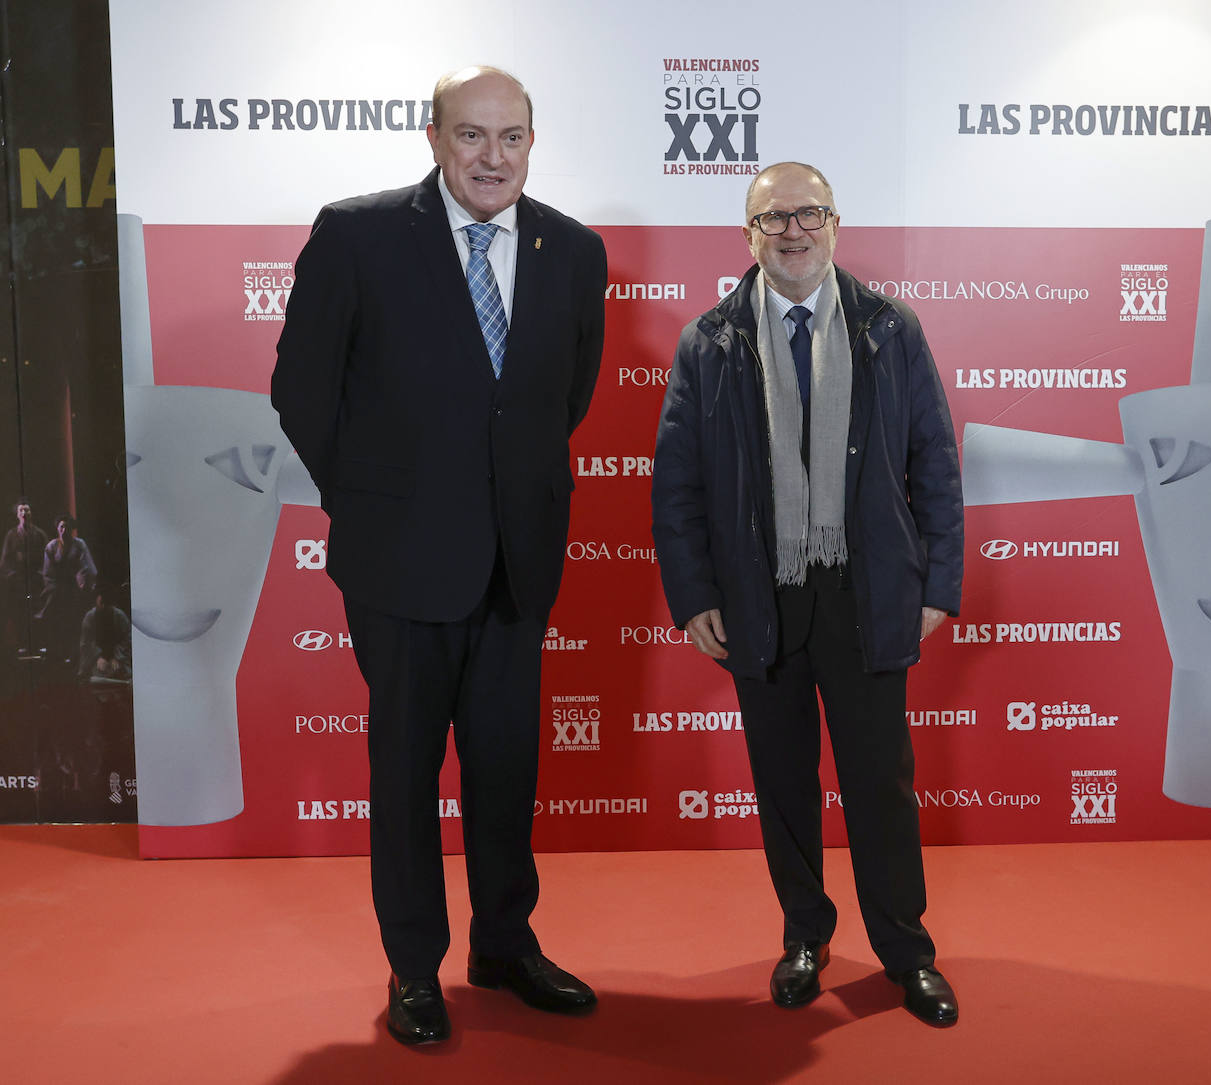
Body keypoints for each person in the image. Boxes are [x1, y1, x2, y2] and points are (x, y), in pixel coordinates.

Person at [271, 66, 606, 1045]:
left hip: (518, 560)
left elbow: (560, 401)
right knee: (407, 772)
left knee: (505, 770)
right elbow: (303, 391)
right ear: (433, 137)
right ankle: (414, 968)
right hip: (399, 564)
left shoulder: (573, 249)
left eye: (510, 137)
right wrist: (372, 498)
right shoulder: (359, 233)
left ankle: (503, 944)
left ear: (532, 144)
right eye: (471, 135)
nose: (491, 157)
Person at [652, 162, 965, 1026]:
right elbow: (676, 485)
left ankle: (907, 950)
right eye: (773, 218)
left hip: (866, 589)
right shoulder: (709, 340)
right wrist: (692, 594)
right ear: (747, 236)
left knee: (879, 783)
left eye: (810, 214)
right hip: (761, 591)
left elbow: (933, 459)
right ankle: (804, 935)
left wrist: (938, 581)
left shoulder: (888, 328)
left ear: (837, 223)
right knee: (783, 781)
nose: (793, 230)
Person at [38, 515, 98, 664]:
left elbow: (87, 567)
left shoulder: (79, 544)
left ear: (72, 529)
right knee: (53, 617)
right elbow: (47, 572)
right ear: (57, 529)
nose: (64, 530)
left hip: (75, 589)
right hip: (57, 588)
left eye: (67, 527)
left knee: (76, 620)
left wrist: (82, 584)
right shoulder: (51, 546)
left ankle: (75, 653)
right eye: (61, 527)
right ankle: (55, 651)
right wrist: (54, 588)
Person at [1, 500, 48, 653]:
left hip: (36, 580)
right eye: (21, 511)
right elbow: (5, 560)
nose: (24, 514)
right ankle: (23, 644)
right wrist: (12, 575)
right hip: (18, 582)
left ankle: (39, 643)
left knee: (37, 611)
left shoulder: (40, 534)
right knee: (20, 613)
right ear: (17, 515)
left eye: (26, 510)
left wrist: (42, 574)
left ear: (31, 513)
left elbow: (47, 558)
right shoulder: (11, 535)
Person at [79, 582, 132, 681]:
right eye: (101, 603)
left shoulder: (119, 616)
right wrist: (98, 657)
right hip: (96, 659)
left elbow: (128, 639)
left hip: (118, 657)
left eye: (105, 604)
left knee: (122, 675)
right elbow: (86, 643)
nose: (103, 606)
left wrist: (117, 657)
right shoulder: (89, 617)